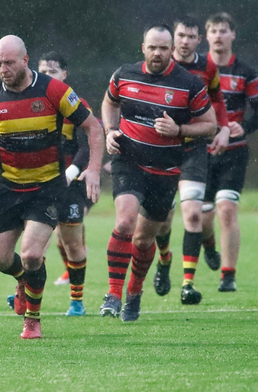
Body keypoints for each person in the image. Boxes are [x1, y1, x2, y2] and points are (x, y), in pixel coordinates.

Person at [0, 35, 104, 339]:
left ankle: (32, 318)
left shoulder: (54, 90)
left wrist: (93, 170)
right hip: (9, 186)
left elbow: (93, 127)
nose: (3, 69)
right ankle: (21, 279)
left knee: (31, 255)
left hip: (46, 187)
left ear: (25, 60)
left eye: (9, 63)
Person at [100, 24, 216, 321]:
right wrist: (111, 131)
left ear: (171, 50)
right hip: (129, 160)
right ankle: (113, 293)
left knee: (142, 240)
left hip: (165, 170)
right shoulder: (124, 74)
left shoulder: (188, 84)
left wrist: (179, 129)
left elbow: (209, 125)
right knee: (125, 221)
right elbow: (109, 102)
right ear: (143, 48)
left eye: (163, 48)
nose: (157, 53)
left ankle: (134, 294)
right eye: (152, 47)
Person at [152, 16, 230, 305]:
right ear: (173, 38)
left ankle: (188, 284)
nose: (185, 42)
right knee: (162, 220)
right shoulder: (157, 64)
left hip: (194, 147)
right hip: (160, 149)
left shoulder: (208, 67)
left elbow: (217, 99)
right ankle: (164, 260)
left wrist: (222, 129)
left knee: (194, 214)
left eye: (191, 36)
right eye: (181, 35)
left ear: (200, 40)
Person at [202, 12, 258, 292]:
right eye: (214, 31)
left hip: (234, 153)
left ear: (233, 35)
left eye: (224, 30)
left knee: (226, 209)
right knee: (201, 216)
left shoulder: (246, 73)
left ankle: (228, 275)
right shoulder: (196, 69)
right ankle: (208, 245)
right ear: (207, 35)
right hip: (200, 153)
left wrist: (243, 127)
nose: (219, 35)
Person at [37, 51, 94, 316]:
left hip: (70, 185)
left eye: (52, 71)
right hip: (39, 184)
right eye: (42, 71)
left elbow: (87, 144)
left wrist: (70, 172)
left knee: (71, 242)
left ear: (64, 75)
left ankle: (77, 302)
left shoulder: (77, 104)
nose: (46, 75)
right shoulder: (32, 103)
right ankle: (26, 295)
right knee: (34, 244)